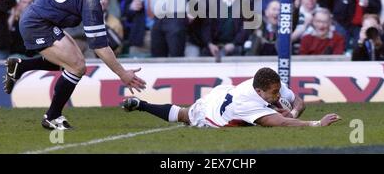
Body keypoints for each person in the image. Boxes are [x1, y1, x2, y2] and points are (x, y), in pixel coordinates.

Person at [0, 0, 146, 130]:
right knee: (77, 66)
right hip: (37, 25)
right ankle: (52, 116)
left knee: (74, 62)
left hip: (41, 20)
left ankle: (20, 67)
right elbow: (101, 47)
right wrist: (122, 74)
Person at [122, 67, 341, 128]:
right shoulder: (247, 103)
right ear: (259, 92)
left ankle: (140, 104)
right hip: (212, 112)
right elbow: (280, 123)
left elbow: (298, 102)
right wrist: (316, 124)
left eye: (278, 91)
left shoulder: (269, 83)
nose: (278, 95)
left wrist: (290, 110)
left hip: (226, 91)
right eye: (274, 93)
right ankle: (141, 105)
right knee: (184, 115)